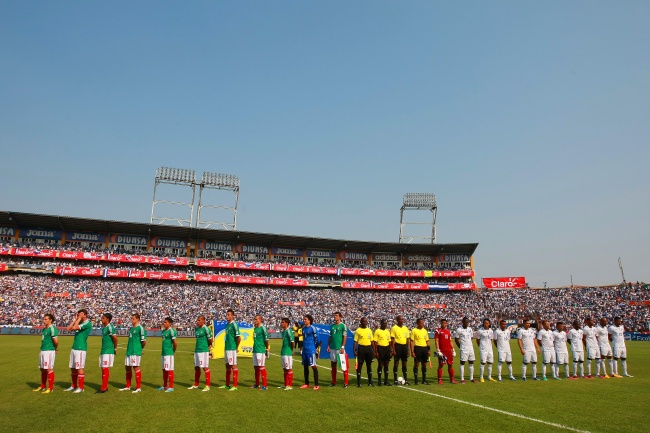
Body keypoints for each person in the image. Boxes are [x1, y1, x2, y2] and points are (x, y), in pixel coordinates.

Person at [64, 309, 92, 393]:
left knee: (79, 367)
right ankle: (74, 385)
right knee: (73, 367)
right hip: (74, 347)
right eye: (78, 314)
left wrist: (78, 319)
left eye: (80, 314)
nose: (79, 315)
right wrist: (74, 320)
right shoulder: (79, 322)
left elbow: (76, 327)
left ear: (85, 315)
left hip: (80, 348)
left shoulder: (87, 323)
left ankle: (81, 387)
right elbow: (68, 328)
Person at [120, 313, 146, 393]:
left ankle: (138, 388)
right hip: (129, 351)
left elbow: (144, 341)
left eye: (133, 318)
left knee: (136, 367)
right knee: (127, 367)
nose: (132, 320)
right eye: (131, 318)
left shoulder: (140, 328)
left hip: (135, 351)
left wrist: (140, 349)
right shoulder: (131, 329)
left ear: (138, 319)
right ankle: (128, 386)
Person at [189, 315, 213, 391]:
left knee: (205, 367)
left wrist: (209, 346)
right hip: (197, 350)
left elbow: (210, 340)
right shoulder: (196, 329)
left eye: (199, 320)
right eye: (197, 320)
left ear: (203, 321)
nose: (198, 321)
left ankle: (207, 386)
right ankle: (196, 384)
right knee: (196, 367)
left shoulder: (206, 329)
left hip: (204, 350)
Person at [35, 313, 58, 393]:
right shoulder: (44, 329)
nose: (44, 321)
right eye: (43, 319)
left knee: (48, 369)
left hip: (49, 351)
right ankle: (43, 386)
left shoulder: (52, 329)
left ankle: (50, 388)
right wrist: (41, 351)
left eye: (46, 319)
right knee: (42, 369)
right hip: (43, 350)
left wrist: (56, 349)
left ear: (50, 320)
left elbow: (56, 341)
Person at [220, 309, 241, 391]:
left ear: (232, 316)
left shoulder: (234, 325)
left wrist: (236, 347)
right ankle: (227, 385)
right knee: (227, 365)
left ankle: (235, 386)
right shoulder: (227, 325)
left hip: (232, 348)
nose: (227, 316)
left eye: (229, 315)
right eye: (226, 314)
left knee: (233, 366)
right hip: (227, 347)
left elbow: (239, 337)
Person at [97, 313, 118, 393]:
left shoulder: (110, 327)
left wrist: (115, 348)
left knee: (105, 368)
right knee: (103, 369)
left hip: (108, 350)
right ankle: (105, 386)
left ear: (107, 319)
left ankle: (104, 388)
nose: (101, 319)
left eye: (103, 318)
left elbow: (115, 338)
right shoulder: (104, 328)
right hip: (103, 350)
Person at [327, 311, 348, 388]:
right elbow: (330, 336)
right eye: (334, 315)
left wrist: (343, 347)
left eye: (336, 315)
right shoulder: (332, 326)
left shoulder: (343, 326)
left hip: (340, 348)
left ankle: (345, 383)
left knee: (343, 366)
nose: (335, 316)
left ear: (340, 317)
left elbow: (345, 336)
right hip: (332, 348)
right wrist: (328, 345)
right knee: (333, 365)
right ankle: (334, 382)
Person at [300, 314, 321, 390]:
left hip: (311, 350)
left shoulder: (313, 328)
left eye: (305, 319)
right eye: (304, 319)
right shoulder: (303, 329)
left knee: (313, 366)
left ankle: (316, 384)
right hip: (305, 350)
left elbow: (318, 340)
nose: (304, 320)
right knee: (305, 367)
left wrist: (314, 347)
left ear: (309, 320)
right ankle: (306, 383)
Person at [157, 317, 177, 392]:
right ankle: (165, 386)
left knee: (170, 369)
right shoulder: (163, 331)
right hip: (163, 353)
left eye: (165, 322)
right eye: (164, 322)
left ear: (170, 323)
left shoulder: (172, 331)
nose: (164, 323)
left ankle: (171, 387)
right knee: (164, 370)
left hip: (169, 353)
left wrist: (174, 351)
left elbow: (175, 343)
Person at [353, 317, 374, 387]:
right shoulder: (358, 330)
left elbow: (372, 341)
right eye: (363, 321)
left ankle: (370, 382)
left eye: (366, 321)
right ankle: (359, 382)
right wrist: (354, 350)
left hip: (368, 348)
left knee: (369, 365)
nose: (365, 323)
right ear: (361, 322)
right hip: (361, 348)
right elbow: (355, 341)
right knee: (360, 365)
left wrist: (374, 350)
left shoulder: (369, 330)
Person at [390, 315, 411, 385]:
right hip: (397, 346)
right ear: (397, 320)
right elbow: (392, 339)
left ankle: (406, 380)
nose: (401, 320)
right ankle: (395, 380)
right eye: (400, 319)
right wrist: (393, 349)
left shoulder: (405, 328)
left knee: (404, 363)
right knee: (396, 362)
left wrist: (408, 349)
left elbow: (408, 339)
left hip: (404, 347)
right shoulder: (394, 328)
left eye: (402, 319)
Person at [435, 318, 456, 385]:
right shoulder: (438, 331)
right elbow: (436, 340)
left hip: (449, 351)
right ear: (440, 323)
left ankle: (452, 379)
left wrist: (453, 349)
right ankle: (439, 380)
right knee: (441, 365)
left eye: (445, 323)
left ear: (446, 324)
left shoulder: (448, 331)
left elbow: (450, 341)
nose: (444, 324)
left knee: (450, 365)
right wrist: (438, 350)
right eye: (442, 323)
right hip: (442, 352)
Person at [455, 317, 476, 384]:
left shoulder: (470, 329)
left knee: (471, 362)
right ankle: (462, 379)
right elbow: (456, 340)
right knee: (462, 363)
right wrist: (460, 347)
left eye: (467, 322)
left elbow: (471, 338)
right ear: (462, 322)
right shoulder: (459, 330)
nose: (466, 323)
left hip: (470, 348)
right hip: (464, 349)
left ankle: (471, 378)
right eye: (465, 322)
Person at [251, 315, 269, 390]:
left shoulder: (263, 328)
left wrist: (266, 349)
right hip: (255, 350)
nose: (255, 320)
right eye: (255, 319)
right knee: (256, 367)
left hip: (260, 350)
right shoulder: (255, 328)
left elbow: (266, 340)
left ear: (260, 319)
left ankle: (265, 385)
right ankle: (257, 384)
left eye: (256, 319)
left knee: (261, 367)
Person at [411, 318, 431, 385]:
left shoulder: (425, 331)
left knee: (424, 364)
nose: (422, 324)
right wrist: (412, 351)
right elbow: (412, 341)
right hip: (417, 348)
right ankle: (416, 379)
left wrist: (429, 350)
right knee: (417, 363)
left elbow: (427, 341)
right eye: (421, 323)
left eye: (423, 323)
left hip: (424, 348)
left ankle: (424, 380)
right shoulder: (414, 330)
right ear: (417, 323)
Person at [373, 319, 392, 386]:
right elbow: (375, 342)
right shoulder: (377, 331)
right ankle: (379, 381)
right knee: (380, 364)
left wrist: (390, 350)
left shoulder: (387, 331)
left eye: (386, 323)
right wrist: (376, 351)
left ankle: (386, 381)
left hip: (387, 348)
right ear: (381, 324)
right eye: (384, 323)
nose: (385, 325)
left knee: (386, 364)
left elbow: (389, 341)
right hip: (380, 348)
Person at [279, 317, 294, 390]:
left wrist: (292, 350)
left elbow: (292, 342)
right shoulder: (283, 332)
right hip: (283, 352)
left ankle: (290, 385)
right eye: (281, 322)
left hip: (287, 353)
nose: (281, 323)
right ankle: (286, 384)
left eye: (283, 322)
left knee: (289, 369)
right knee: (284, 369)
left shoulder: (289, 331)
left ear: (287, 323)